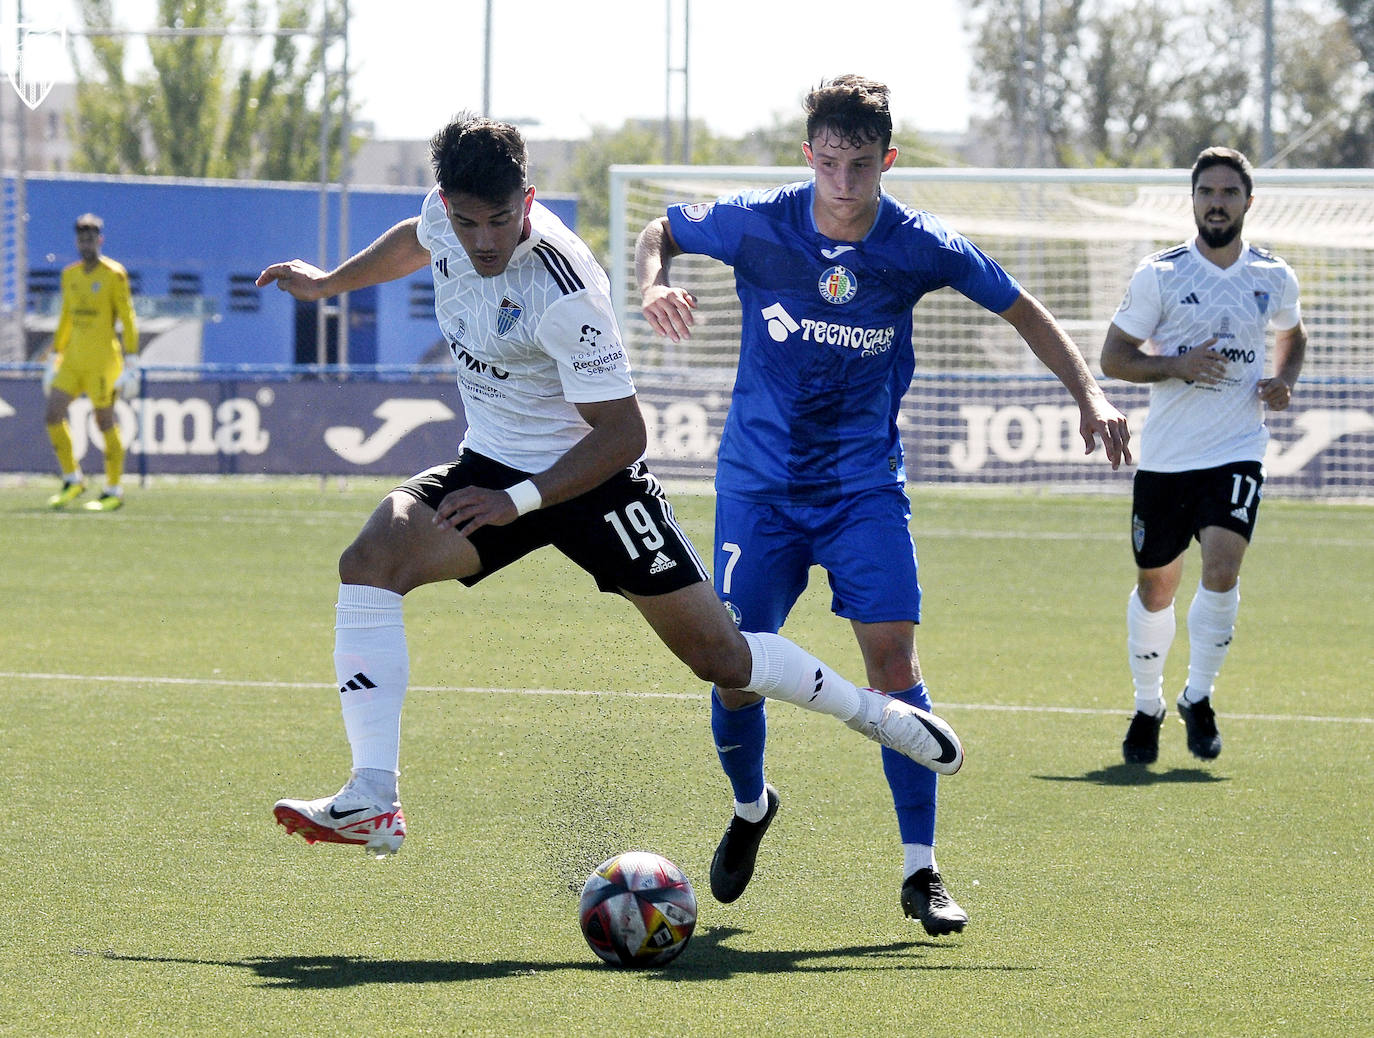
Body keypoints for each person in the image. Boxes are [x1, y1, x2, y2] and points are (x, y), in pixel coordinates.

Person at [256, 113, 965, 861]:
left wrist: (519, 502)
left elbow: (625, 435)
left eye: (501, 220)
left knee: (723, 660)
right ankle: (373, 796)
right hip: (493, 467)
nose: (485, 240)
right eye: (468, 222)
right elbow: (415, 235)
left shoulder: (566, 290)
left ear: (527, 201)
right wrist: (331, 281)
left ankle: (876, 717)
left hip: (593, 481)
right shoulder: (442, 218)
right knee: (373, 558)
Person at [635, 75, 1131, 936]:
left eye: (861, 165)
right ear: (809, 155)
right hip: (759, 486)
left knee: (894, 667)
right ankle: (752, 806)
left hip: (864, 486)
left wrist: (1089, 392)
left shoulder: (919, 243)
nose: (843, 182)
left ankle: (922, 871)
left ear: (886, 160)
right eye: (828, 162)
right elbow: (659, 228)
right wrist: (650, 282)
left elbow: (1021, 309)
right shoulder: (759, 221)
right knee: (734, 666)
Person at [1102, 146, 1306, 765]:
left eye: (1228, 193)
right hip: (1166, 458)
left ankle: (1200, 695)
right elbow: (1114, 358)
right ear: (1193, 201)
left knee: (1222, 569)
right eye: (1207, 193)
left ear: (1248, 202)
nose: (1217, 203)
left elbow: (1293, 336)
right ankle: (1148, 705)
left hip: (1237, 451)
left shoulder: (1274, 276)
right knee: (1156, 587)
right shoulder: (1159, 274)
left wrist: (1283, 379)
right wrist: (1176, 365)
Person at [43, 213, 139, 511]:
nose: (86, 243)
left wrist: (132, 359)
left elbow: (127, 317)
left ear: (100, 240)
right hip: (73, 361)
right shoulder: (69, 276)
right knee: (52, 415)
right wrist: (54, 354)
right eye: (82, 238)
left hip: (103, 362)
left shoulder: (114, 274)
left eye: (91, 238)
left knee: (104, 421)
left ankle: (113, 490)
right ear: (77, 242)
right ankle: (73, 479)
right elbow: (66, 318)